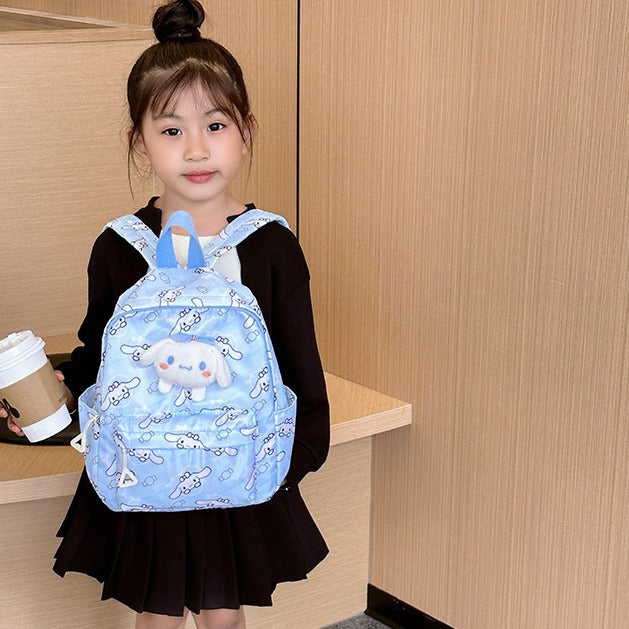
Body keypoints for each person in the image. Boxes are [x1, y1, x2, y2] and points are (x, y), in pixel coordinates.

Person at [2, 1, 329, 627]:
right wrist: (44, 399)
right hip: (144, 461)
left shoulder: (270, 245)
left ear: (247, 131)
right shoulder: (119, 246)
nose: (197, 149)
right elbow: (99, 360)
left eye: (216, 125)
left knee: (222, 615)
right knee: (155, 618)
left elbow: (300, 372)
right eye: (171, 130)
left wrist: (289, 462)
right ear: (139, 142)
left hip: (238, 462)